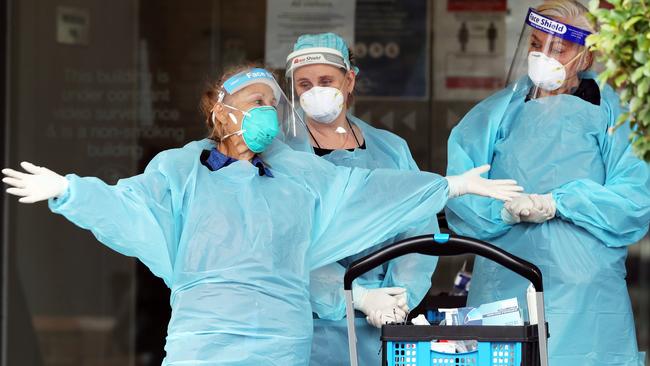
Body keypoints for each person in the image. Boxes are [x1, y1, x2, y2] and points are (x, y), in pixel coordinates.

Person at [3, 66, 523, 365]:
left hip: (282, 345)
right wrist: (70, 192)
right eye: (255, 100)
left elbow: (367, 192)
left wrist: (448, 186)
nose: (267, 112)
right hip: (204, 344)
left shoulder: (298, 176)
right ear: (219, 108)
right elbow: (129, 209)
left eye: (273, 104)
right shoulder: (181, 171)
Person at [445, 2, 650, 365]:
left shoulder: (612, 114)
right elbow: (461, 191)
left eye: (559, 48)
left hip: (586, 293)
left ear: (586, 57)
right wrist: (502, 213)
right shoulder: (497, 112)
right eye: (536, 44)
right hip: (503, 283)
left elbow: (636, 198)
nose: (543, 56)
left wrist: (559, 203)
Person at [284, 32, 439, 365]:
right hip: (309, 324)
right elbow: (282, 246)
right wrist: (357, 296)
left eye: (326, 81)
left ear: (350, 80)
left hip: (385, 323)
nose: (315, 93)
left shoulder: (391, 149)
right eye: (304, 85)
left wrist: (399, 298)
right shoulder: (282, 154)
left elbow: (417, 226)